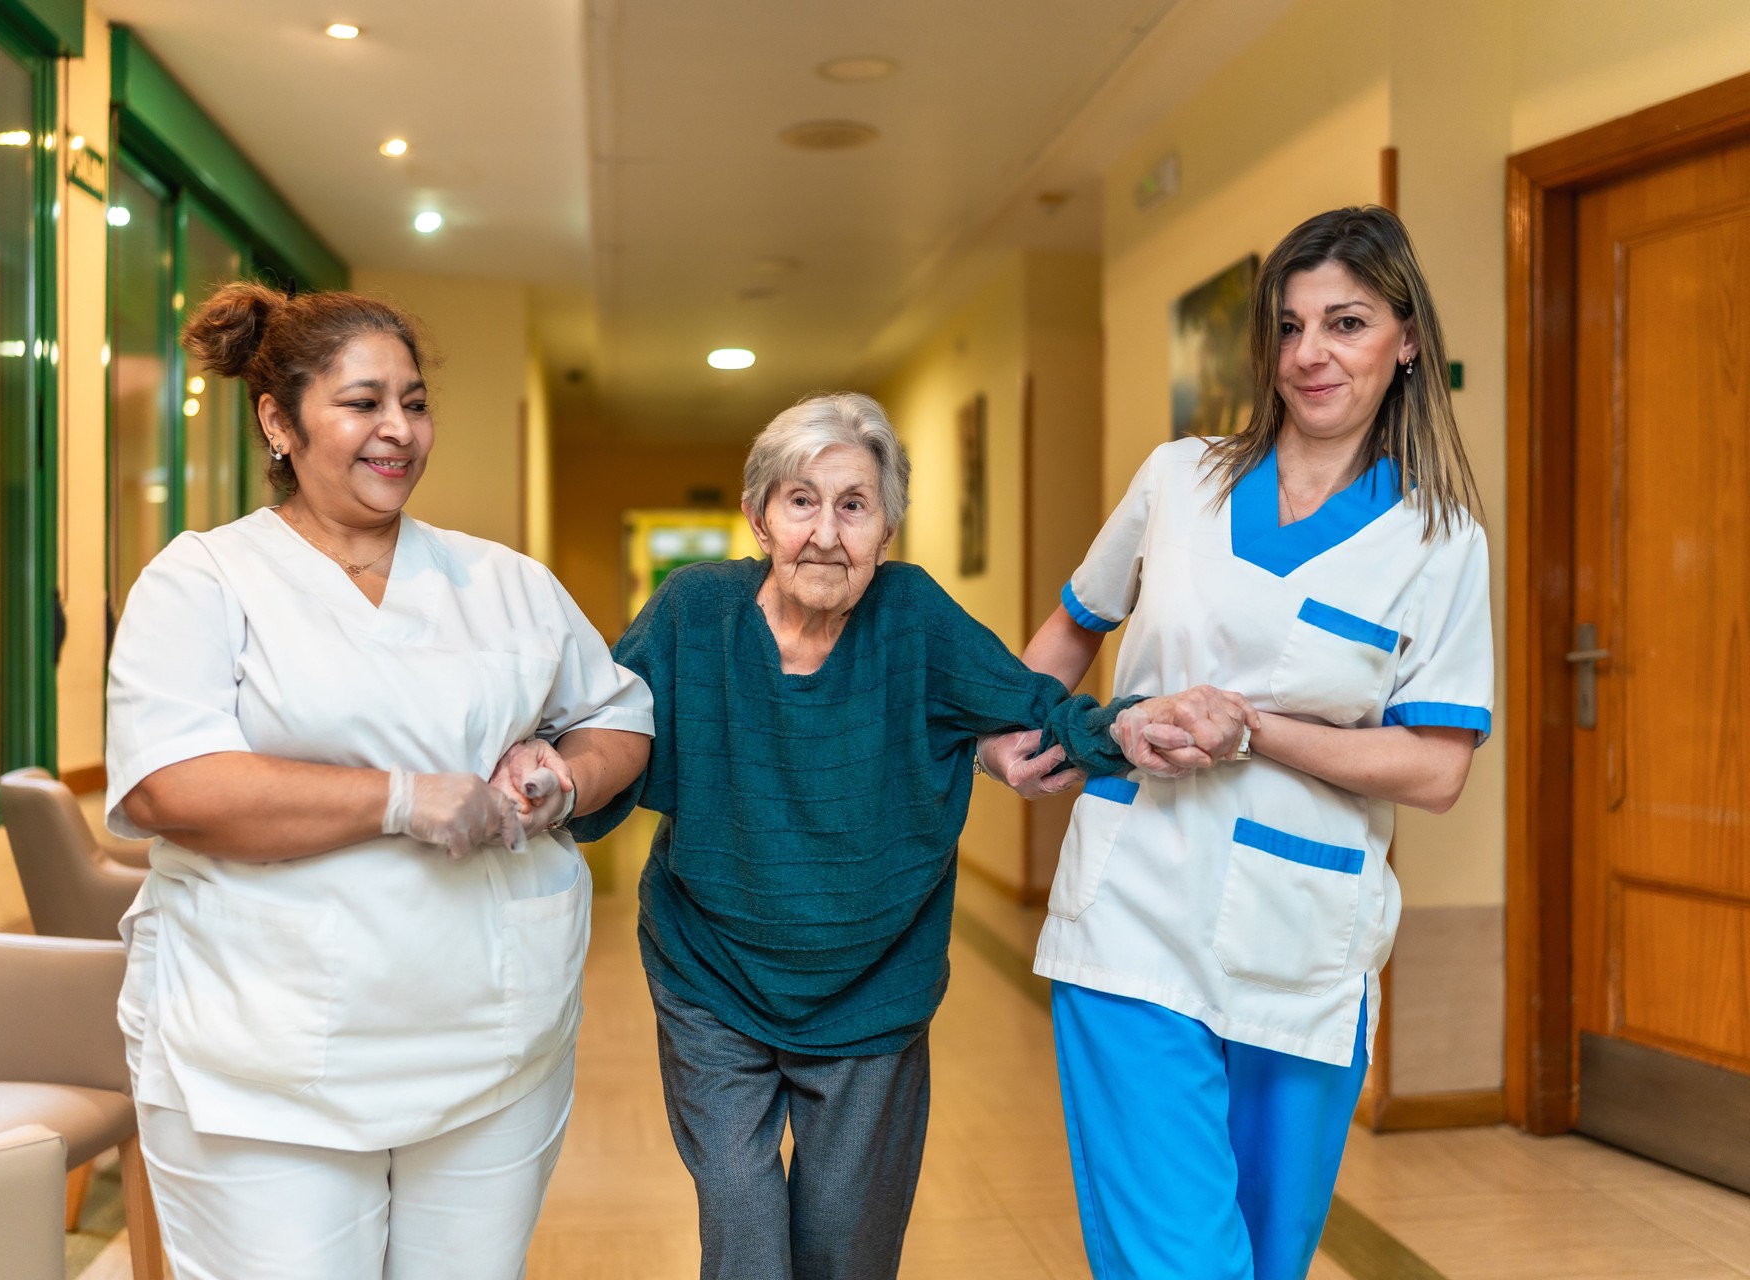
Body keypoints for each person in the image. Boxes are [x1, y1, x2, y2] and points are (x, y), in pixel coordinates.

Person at [570, 392, 1232, 1280]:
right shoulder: (694, 612)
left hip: (872, 990)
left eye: (855, 505)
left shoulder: (912, 618)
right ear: (759, 516)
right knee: (743, 1225)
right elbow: (614, 730)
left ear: (887, 531)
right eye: (800, 501)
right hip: (711, 975)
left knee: (846, 1252)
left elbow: (1035, 709)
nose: (827, 533)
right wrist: (551, 777)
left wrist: (1124, 730)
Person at [104, 282, 653, 1280]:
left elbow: (620, 715)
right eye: (363, 402)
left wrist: (564, 775)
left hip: (494, 1041)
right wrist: (402, 798)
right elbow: (167, 787)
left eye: (414, 400)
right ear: (280, 420)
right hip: (263, 1055)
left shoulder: (503, 580)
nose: (397, 429)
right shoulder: (205, 580)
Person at [1024, 206, 1492, 1280]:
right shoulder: (1177, 479)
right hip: (1132, 917)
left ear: (1407, 339)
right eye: (1289, 327)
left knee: (1266, 1257)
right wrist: (1011, 739)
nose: (1309, 355)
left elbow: (1437, 766)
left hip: (1303, 941)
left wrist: (1255, 728)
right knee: (1182, 1263)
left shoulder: (1439, 536)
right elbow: (1071, 630)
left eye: (1346, 322)